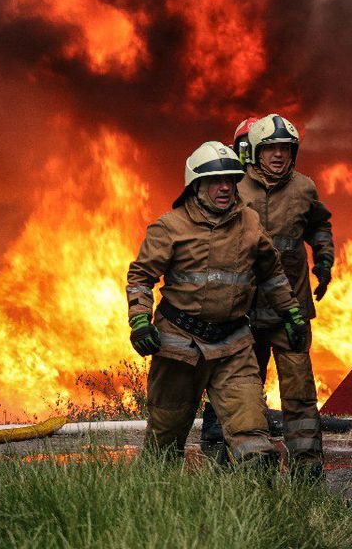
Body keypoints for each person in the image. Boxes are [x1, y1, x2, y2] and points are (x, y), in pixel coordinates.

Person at [125, 140, 311, 462]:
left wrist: (291, 312)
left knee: (254, 444)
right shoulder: (169, 227)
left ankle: (255, 508)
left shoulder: (250, 223)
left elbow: (272, 274)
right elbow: (141, 276)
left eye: (230, 179)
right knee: (164, 443)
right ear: (196, 184)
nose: (225, 187)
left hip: (233, 347)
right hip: (179, 347)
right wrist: (140, 320)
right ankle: (154, 505)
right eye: (215, 181)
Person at [240, 113, 335, 476]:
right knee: (246, 395)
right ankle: (251, 466)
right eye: (271, 148)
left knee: (299, 394)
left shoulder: (304, 188)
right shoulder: (235, 189)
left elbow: (319, 224)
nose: (278, 155)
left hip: (290, 313)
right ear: (256, 152)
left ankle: (307, 469)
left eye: (284, 148)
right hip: (245, 314)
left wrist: (323, 260)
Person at [200, 116, 263, 449]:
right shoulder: (222, 183)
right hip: (232, 287)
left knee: (252, 357)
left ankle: (250, 421)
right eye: (242, 146)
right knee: (223, 352)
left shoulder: (272, 185)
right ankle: (214, 423)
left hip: (259, 288)